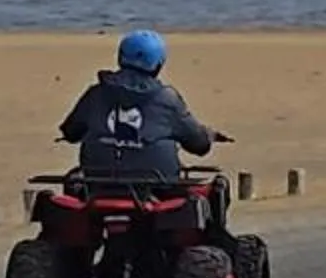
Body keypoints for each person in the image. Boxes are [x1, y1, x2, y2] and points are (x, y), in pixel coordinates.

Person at [59, 30, 225, 187]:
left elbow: (71, 132)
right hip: (158, 184)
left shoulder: (96, 93)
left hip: (98, 182)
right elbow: (199, 144)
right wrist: (208, 135)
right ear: (158, 65)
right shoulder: (167, 99)